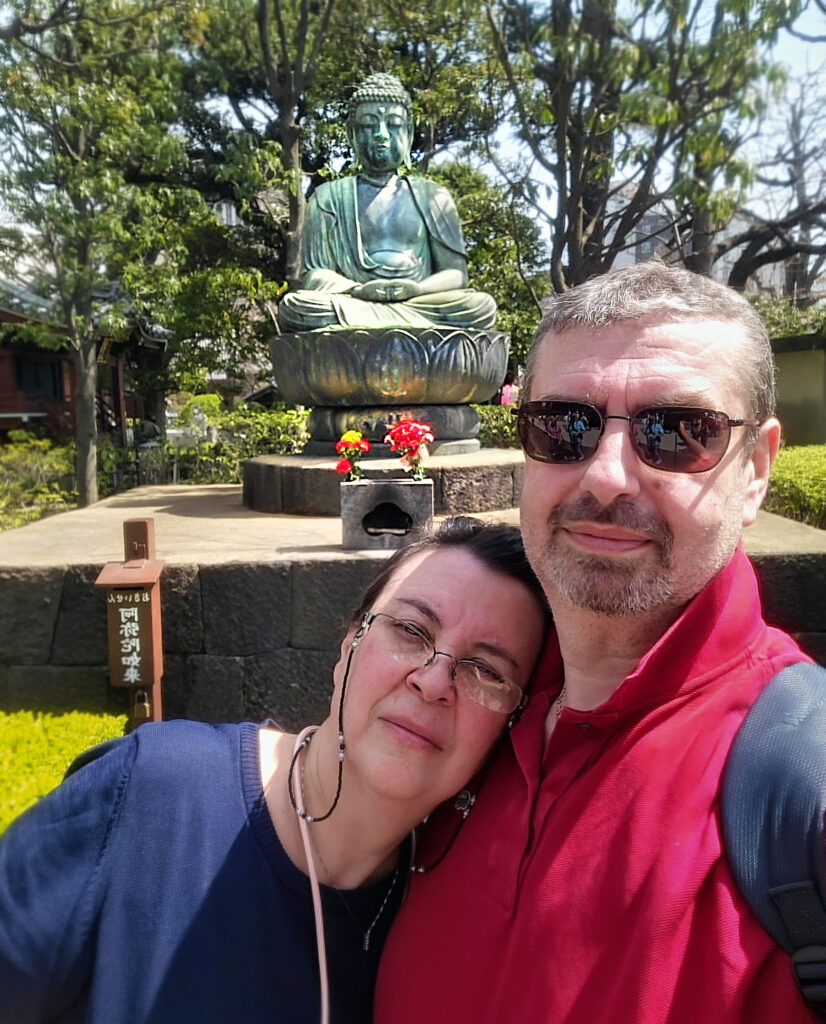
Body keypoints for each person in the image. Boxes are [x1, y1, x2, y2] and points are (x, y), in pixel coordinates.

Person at [375, 262, 818, 1023]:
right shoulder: (468, 705)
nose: (609, 475)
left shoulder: (802, 787)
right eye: (564, 425)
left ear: (757, 470)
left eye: (678, 432)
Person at [0, 517, 547, 1024]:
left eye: (485, 670)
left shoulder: (445, 925)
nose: (433, 682)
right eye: (410, 630)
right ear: (348, 643)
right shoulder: (153, 793)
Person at [277, 72, 496, 332]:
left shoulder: (434, 196)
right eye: (369, 125)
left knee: (480, 306)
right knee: (299, 306)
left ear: (409, 132)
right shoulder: (328, 198)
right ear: (352, 134)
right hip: (354, 303)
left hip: (420, 302)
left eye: (392, 124)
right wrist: (358, 289)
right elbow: (315, 276)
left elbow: (456, 275)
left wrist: (417, 288)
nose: (381, 135)